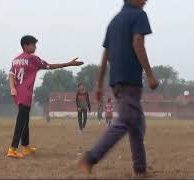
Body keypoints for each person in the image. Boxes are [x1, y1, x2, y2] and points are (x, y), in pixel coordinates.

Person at [78, 0, 159, 176]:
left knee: (136, 124)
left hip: (116, 81)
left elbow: (105, 56)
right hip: (130, 79)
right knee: (125, 121)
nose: (146, 1)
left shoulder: (114, 22)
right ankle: (91, 157)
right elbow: (138, 43)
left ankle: (140, 168)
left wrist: (99, 85)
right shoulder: (139, 15)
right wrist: (150, 75)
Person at [7, 35, 83, 159]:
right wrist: (69, 64)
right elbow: (50, 66)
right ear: (26, 45)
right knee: (21, 120)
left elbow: (11, 74)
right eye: (33, 44)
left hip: (18, 93)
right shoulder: (33, 59)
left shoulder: (15, 60)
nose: (35, 47)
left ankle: (26, 147)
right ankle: (12, 149)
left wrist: (12, 88)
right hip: (25, 93)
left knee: (25, 119)